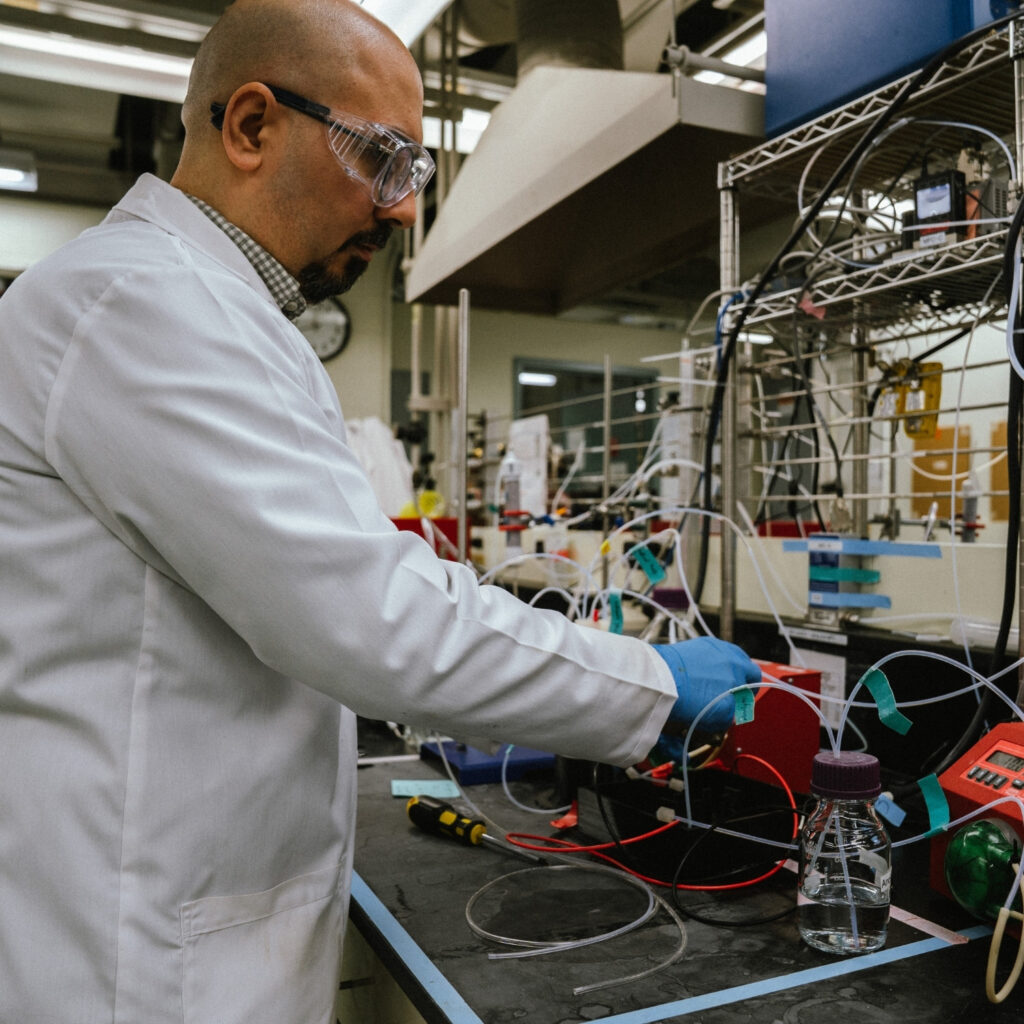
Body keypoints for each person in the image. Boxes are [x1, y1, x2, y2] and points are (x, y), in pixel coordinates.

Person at [0, 1, 762, 1021]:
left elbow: (348, 590)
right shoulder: (137, 305)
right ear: (251, 126)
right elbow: (373, 617)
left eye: (415, 172)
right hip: (133, 969)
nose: (403, 210)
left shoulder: (205, 310)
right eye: (380, 158)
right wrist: (651, 684)